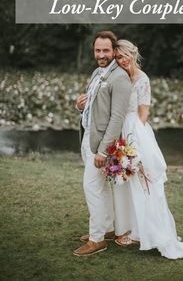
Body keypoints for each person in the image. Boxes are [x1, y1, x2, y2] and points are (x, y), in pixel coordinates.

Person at [113, 39, 183, 259]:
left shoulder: (142, 79)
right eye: (117, 57)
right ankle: (134, 228)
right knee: (129, 182)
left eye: (123, 56)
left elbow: (143, 112)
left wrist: (134, 142)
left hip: (135, 132)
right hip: (120, 128)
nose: (121, 61)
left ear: (132, 54)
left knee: (146, 181)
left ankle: (150, 232)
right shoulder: (119, 76)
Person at [73, 31, 132, 257]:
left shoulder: (120, 78)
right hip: (87, 136)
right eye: (97, 50)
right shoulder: (97, 73)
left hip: (100, 144)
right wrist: (79, 107)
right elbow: (93, 108)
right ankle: (106, 229)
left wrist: (102, 150)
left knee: (92, 188)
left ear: (114, 51)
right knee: (100, 188)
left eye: (105, 50)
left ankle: (96, 240)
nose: (101, 54)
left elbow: (117, 118)